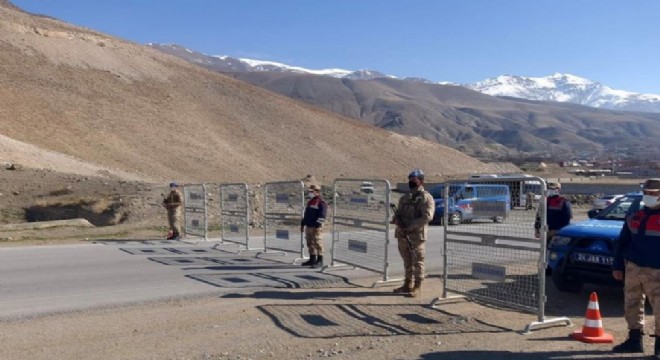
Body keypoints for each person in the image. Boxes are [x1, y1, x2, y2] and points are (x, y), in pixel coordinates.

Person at [611, 178, 660, 356]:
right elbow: (622, 242)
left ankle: (658, 349)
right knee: (631, 305)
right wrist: (617, 266)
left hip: (657, 271)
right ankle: (634, 340)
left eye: (653, 194)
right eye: (646, 193)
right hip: (633, 269)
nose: (648, 197)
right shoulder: (635, 216)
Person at [391, 169, 435, 297]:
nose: (411, 182)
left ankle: (417, 286)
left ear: (421, 181)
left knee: (417, 261)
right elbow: (398, 213)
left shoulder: (426, 198)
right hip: (402, 234)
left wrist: (411, 227)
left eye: (414, 179)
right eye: (409, 179)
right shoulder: (405, 197)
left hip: (416, 235)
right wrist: (396, 221)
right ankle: (407, 284)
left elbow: (427, 216)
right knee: (407, 261)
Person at [534, 182, 572, 248]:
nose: (551, 190)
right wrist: (537, 228)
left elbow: (567, 219)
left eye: (553, 189)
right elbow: (539, 216)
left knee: (556, 251)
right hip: (546, 231)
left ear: (559, 189)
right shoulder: (544, 201)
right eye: (549, 188)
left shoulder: (563, 201)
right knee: (545, 251)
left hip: (558, 232)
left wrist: (560, 231)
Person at [300, 184, 328, 268]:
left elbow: (322, 216)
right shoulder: (310, 202)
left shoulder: (321, 203)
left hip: (316, 227)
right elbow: (306, 214)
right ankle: (312, 259)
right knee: (310, 243)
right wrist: (303, 224)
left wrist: (317, 226)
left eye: (312, 191)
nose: (310, 193)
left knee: (317, 242)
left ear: (317, 192)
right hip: (309, 226)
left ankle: (320, 260)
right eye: (309, 191)